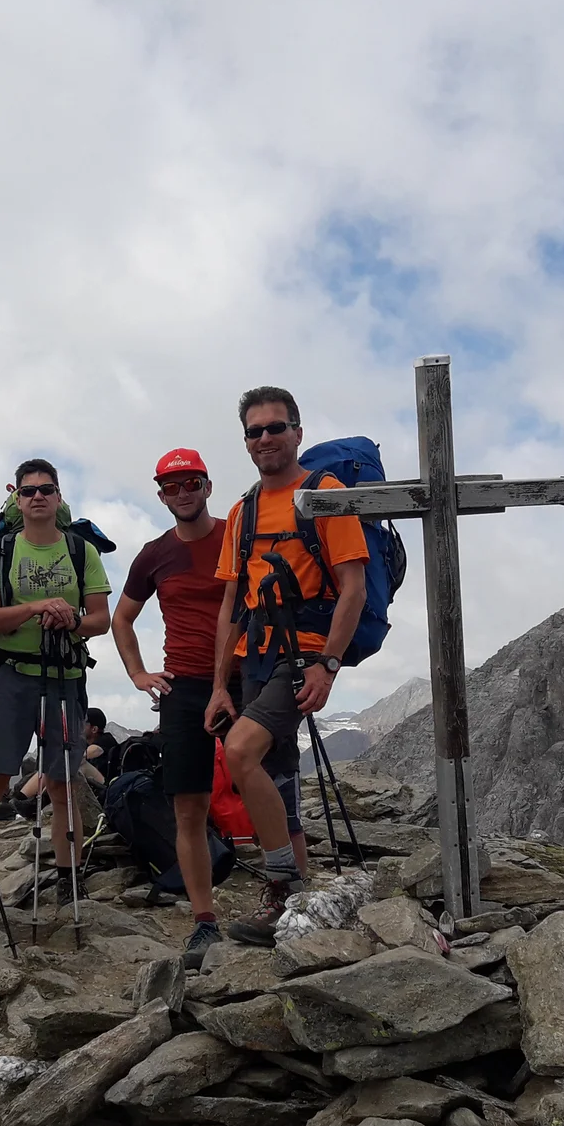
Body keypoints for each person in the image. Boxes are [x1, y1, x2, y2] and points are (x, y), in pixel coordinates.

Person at [207, 387, 368, 944]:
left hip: (300, 656)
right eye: (255, 432)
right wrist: (218, 687)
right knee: (278, 780)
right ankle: (296, 914)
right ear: (246, 443)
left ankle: (279, 886)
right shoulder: (241, 512)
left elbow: (353, 587)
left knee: (241, 752)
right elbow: (231, 604)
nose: (265, 439)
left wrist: (328, 663)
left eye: (276, 428)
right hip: (254, 658)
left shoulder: (326, 495)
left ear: (297, 432)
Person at [0, 459, 111, 928]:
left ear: (58, 498)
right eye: (29, 491)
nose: (37, 497)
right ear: (17, 500)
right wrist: (40, 607)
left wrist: (71, 621)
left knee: (62, 781)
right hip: (11, 675)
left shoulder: (82, 552)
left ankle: (68, 880)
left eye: (46, 489)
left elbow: (98, 618)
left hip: (64, 675)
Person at [112, 447, 230, 966]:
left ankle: (286, 896)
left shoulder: (235, 535)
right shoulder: (154, 553)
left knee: (267, 781)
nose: (182, 493)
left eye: (191, 483)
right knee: (189, 805)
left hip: (244, 678)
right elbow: (122, 619)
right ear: (161, 495)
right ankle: (204, 921)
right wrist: (139, 674)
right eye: (171, 486)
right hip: (182, 687)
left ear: (207, 485)